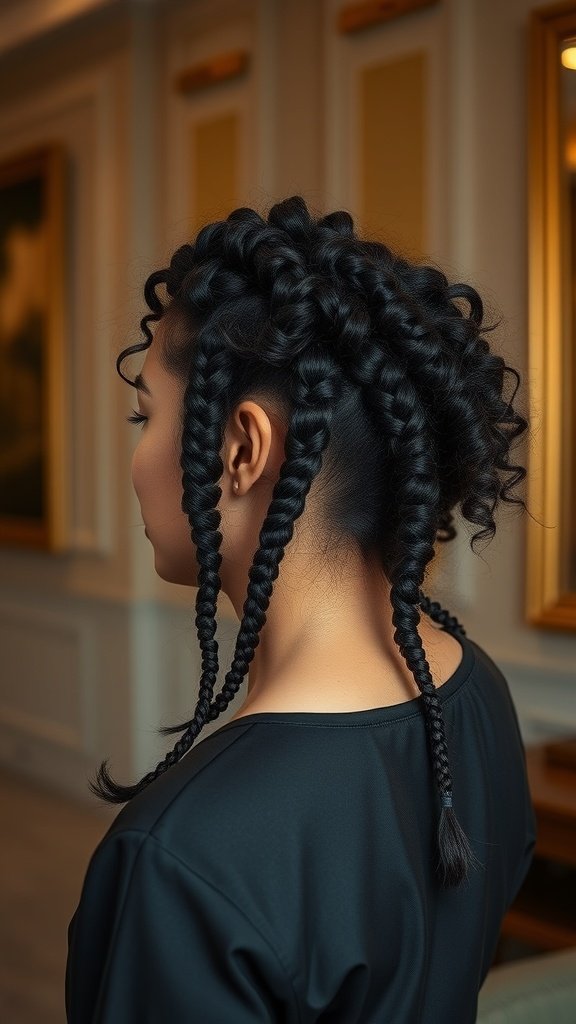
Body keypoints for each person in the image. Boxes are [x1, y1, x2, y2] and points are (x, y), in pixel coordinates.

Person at [65, 195, 537, 1023]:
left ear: (242, 449)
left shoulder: (185, 856)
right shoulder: (473, 694)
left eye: (146, 414)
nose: (135, 458)